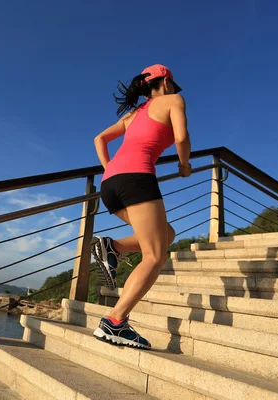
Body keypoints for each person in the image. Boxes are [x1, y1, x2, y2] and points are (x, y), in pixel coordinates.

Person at [91, 64, 191, 349]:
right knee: (155, 254)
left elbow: (99, 138)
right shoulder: (173, 101)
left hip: (110, 185)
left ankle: (114, 247)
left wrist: (111, 169)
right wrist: (184, 165)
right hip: (137, 179)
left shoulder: (133, 114)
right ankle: (116, 322)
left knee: (165, 235)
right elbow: (182, 138)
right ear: (167, 83)